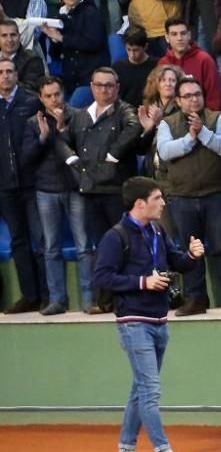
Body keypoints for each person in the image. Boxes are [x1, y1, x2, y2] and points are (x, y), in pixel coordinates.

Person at [93, 175, 200, 452]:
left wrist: (191, 256)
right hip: (134, 322)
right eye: (157, 199)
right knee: (150, 391)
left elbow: (176, 261)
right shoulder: (115, 237)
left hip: (159, 321)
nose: (163, 203)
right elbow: (101, 277)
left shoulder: (156, 231)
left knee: (141, 389)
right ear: (140, 204)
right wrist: (143, 281)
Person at [57, 67, 143, 314]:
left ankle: (127, 300)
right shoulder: (82, 116)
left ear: (117, 88)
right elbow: (63, 141)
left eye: (109, 85)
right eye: (99, 85)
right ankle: (104, 300)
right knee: (101, 248)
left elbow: (135, 128)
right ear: (92, 87)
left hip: (117, 190)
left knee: (124, 247)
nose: (104, 89)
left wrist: (113, 155)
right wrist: (72, 161)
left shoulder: (125, 111)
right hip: (90, 191)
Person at [157, 76, 221, 316]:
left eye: (197, 95)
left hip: (215, 194)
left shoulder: (217, 118)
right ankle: (195, 300)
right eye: (188, 96)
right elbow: (165, 151)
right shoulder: (167, 124)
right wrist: (191, 138)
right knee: (190, 251)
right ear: (178, 100)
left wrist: (202, 132)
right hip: (182, 196)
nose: (194, 99)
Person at [23, 77, 91, 316]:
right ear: (41, 98)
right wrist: (43, 138)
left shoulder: (80, 117)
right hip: (46, 191)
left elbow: (85, 150)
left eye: (57, 94)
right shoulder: (34, 122)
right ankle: (56, 300)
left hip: (74, 189)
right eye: (49, 96)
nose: (54, 99)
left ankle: (88, 299)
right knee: (50, 248)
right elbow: (27, 158)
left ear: (64, 94)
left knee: (83, 246)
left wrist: (62, 132)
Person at [0, 56, 45, 314]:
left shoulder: (30, 102)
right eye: (1, 72)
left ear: (17, 74)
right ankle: (29, 296)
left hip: (32, 182)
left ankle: (48, 295)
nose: (5, 76)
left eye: (9, 71)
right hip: (5, 185)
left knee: (40, 241)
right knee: (19, 241)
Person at [42, 0, 110, 97]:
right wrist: (54, 40)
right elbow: (56, 55)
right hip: (71, 79)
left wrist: (62, 38)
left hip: (91, 76)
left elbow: (93, 43)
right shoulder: (60, 17)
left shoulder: (91, 13)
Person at [158, 17, 221, 111]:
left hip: (202, 121)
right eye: (174, 34)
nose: (179, 38)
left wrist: (207, 123)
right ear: (167, 38)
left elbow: (215, 97)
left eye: (183, 33)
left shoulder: (204, 60)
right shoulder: (162, 63)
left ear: (189, 35)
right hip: (171, 122)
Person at [135, 64, 182, 186]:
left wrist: (159, 123)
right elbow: (140, 149)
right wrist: (148, 130)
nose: (168, 83)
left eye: (172, 80)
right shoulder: (147, 110)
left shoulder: (183, 110)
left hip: (174, 172)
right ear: (156, 84)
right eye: (163, 80)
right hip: (151, 171)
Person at [113, 25, 158, 108]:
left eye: (136, 50)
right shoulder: (118, 67)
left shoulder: (157, 65)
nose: (132, 54)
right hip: (126, 114)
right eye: (128, 49)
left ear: (145, 47)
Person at [0, 19, 45, 95]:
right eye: (4, 35)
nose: (9, 40)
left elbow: (31, 91)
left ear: (19, 36)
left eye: (13, 35)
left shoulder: (33, 60)